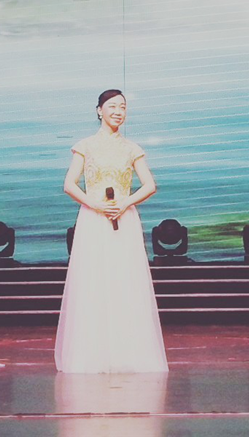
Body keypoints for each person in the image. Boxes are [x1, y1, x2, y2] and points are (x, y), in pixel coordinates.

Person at [54, 89, 169, 373]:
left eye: (123, 107)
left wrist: (125, 203)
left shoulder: (131, 148)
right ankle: (92, 354)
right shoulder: (85, 146)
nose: (118, 112)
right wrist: (94, 204)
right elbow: (69, 184)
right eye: (112, 106)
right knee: (94, 281)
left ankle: (127, 353)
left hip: (123, 219)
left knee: (124, 280)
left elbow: (149, 185)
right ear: (99, 111)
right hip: (94, 218)